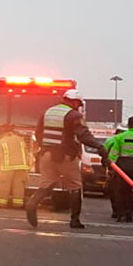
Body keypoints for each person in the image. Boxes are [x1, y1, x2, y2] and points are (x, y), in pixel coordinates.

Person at [24, 91, 109, 229]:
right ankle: (75, 220)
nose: (79, 107)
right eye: (79, 104)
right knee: (75, 186)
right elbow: (83, 135)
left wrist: (44, 147)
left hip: (46, 154)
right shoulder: (73, 115)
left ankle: (32, 204)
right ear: (75, 102)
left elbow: (38, 133)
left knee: (47, 183)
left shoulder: (48, 112)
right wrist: (99, 146)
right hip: (66, 156)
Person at [0, 124, 30, 209]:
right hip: (22, 167)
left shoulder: (2, 141)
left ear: (2, 132)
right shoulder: (20, 140)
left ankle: (2, 203)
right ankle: (18, 204)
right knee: (19, 186)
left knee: (5, 185)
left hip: (7, 167)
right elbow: (26, 153)